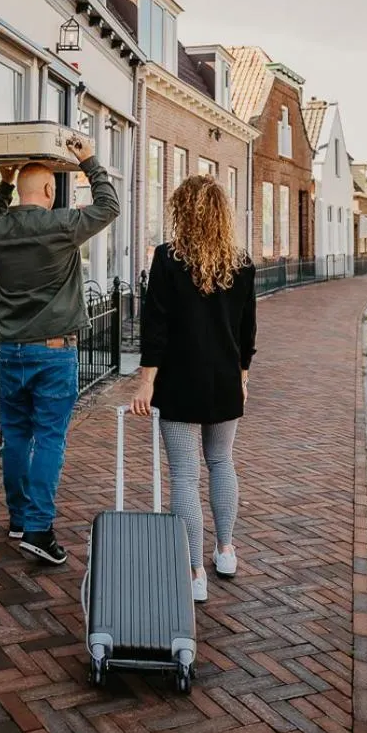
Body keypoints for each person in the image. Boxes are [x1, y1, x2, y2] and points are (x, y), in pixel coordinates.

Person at [0, 136, 120, 565]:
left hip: (12, 352)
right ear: (48, 192)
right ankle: (39, 529)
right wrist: (89, 159)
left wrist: (3, 184)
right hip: (54, 353)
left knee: (18, 438)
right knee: (50, 440)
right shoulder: (61, 225)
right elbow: (109, 206)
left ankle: (20, 519)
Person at [131, 174, 256, 602]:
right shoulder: (241, 264)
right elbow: (247, 331)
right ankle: (226, 550)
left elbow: (156, 327)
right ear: (223, 214)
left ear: (181, 212)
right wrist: (242, 379)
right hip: (223, 380)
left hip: (179, 380)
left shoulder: (167, 260)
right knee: (221, 462)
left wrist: (145, 381)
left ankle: (194, 571)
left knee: (184, 475)